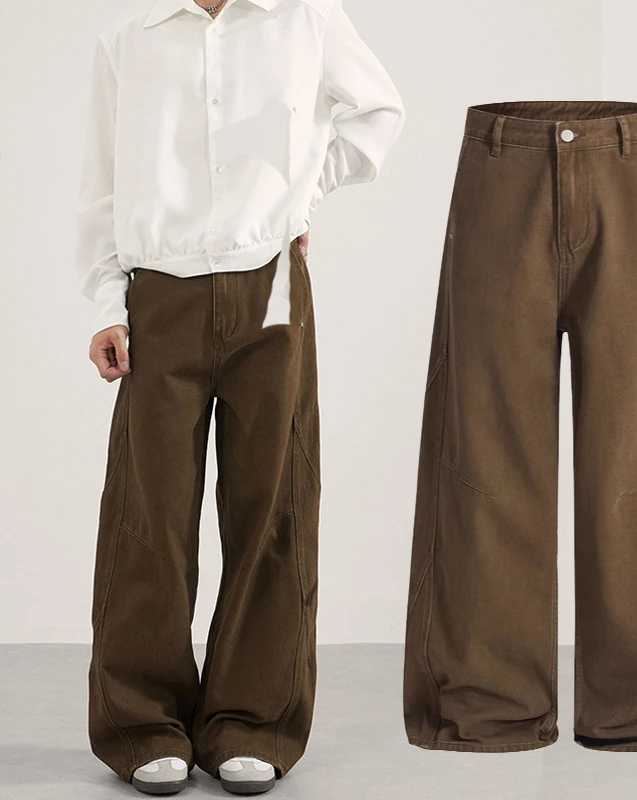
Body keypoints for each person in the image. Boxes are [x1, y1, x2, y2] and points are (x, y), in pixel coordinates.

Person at [75, 0, 404, 794]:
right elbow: (101, 184)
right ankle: (142, 722)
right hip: (159, 291)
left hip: (273, 284)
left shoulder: (307, 18)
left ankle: (253, 720)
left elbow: (378, 112)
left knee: (274, 502)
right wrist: (107, 305)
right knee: (149, 510)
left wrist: (302, 192)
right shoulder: (129, 39)